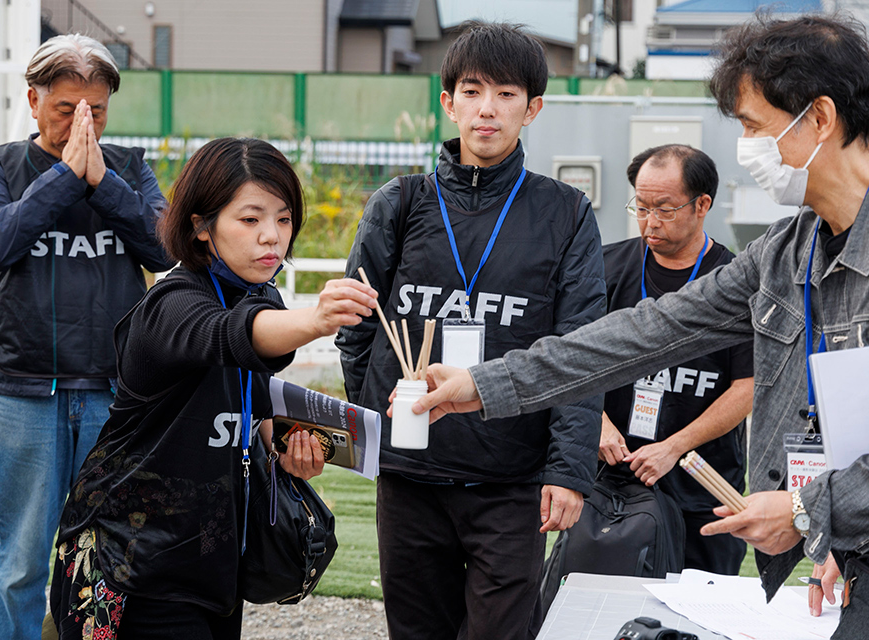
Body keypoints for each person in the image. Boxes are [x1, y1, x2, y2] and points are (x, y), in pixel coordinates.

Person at [406, 14, 869, 638]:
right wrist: (484, 384)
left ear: (818, 118)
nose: (747, 151)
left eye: (755, 128)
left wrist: (808, 511)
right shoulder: (787, 253)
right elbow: (649, 332)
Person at [336, 21, 606, 640]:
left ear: (532, 108)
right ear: (447, 102)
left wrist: (568, 471)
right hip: (409, 477)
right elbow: (354, 327)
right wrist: (377, 416)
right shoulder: (400, 202)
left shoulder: (565, 212)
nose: (488, 109)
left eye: (508, 94)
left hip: (511, 479)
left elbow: (580, 348)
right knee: (416, 630)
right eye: (473, 90)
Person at [49, 137, 377, 638]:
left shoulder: (259, 294)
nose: (271, 236)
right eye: (250, 219)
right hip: (130, 564)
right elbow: (228, 335)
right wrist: (316, 319)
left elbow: (252, 405)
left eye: (283, 219)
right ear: (201, 226)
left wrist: (288, 451)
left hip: (214, 561)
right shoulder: (172, 302)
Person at [0, 34, 174, 640]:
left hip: (116, 391)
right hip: (24, 389)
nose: (84, 121)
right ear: (33, 100)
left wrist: (103, 183)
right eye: (66, 108)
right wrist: (65, 177)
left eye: (97, 110)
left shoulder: (130, 168)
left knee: (108, 555)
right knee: (21, 560)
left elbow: (164, 247)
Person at [599, 144, 753, 575]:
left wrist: (675, 446)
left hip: (702, 486)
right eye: (642, 207)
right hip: (613, 485)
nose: (650, 221)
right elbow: (569, 360)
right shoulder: (607, 268)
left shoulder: (735, 282)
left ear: (702, 204)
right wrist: (597, 422)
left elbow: (749, 386)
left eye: (664, 209)